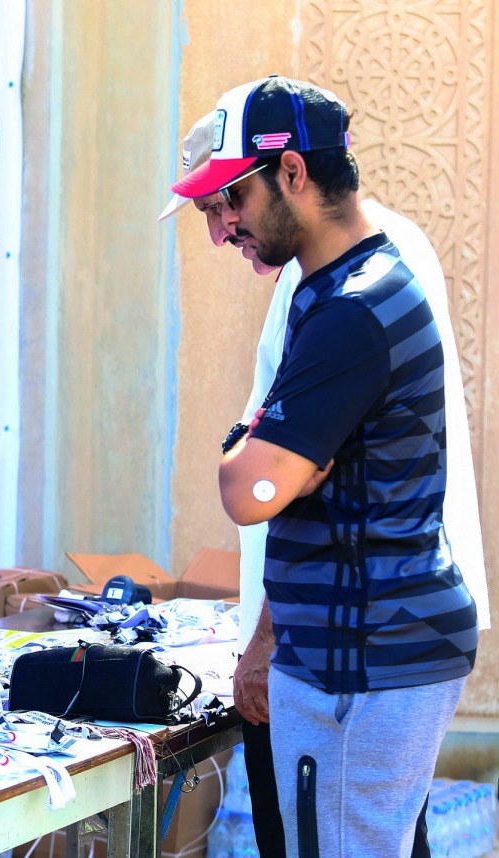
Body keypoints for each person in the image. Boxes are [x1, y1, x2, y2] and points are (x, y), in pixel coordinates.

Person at [160, 109, 488, 856]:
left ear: (293, 175)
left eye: (228, 203)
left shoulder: (353, 308)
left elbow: (247, 492)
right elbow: (279, 479)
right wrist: (270, 457)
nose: (218, 231)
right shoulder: (334, 287)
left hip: (366, 663)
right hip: (359, 653)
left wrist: (253, 453)